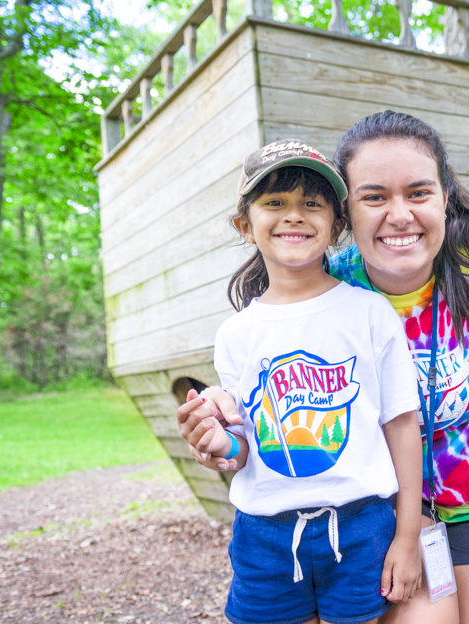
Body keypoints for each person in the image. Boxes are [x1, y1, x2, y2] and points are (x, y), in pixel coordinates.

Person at [181, 112, 469, 624]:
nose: (399, 215)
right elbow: (265, 384)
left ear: (445, 198)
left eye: (418, 193)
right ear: (345, 213)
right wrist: (222, 423)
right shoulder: (321, 293)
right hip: (374, 515)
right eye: (375, 197)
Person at [180, 139, 424, 624]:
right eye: (275, 203)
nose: (293, 215)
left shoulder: (369, 313)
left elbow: (401, 427)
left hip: (361, 525)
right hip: (263, 534)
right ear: (244, 226)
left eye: (311, 203)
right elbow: (243, 445)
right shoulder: (235, 334)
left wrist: (407, 536)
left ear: (336, 227)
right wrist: (217, 445)